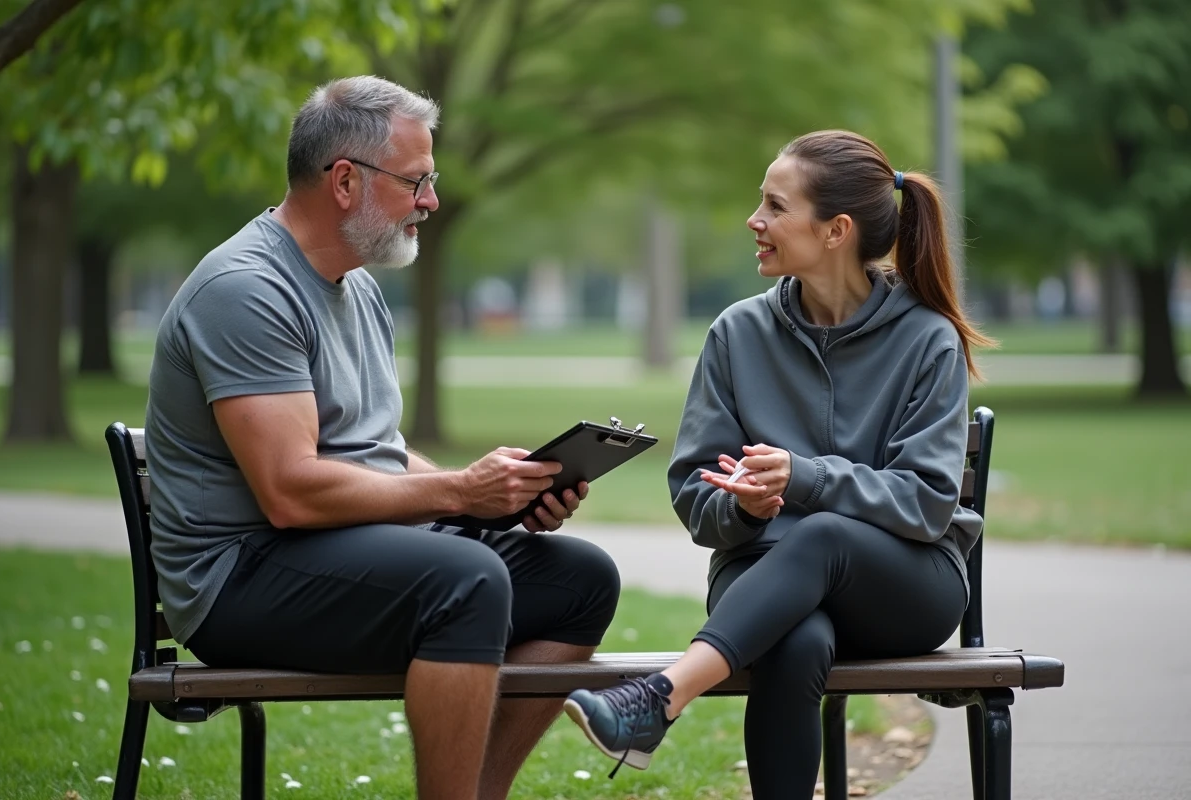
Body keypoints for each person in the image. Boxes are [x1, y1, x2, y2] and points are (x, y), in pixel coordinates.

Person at [144, 76, 621, 800]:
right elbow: (290, 492)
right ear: (344, 182)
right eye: (417, 180)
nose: (430, 200)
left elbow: (377, 453)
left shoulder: (356, 285)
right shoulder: (245, 289)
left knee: (581, 581)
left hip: (323, 549)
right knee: (466, 582)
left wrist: (490, 500)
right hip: (237, 576)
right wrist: (458, 490)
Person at [563, 130, 992, 797]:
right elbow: (695, 495)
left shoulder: (926, 337)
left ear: (834, 231)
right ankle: (652, 708)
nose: (753, 220)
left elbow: (928, 500)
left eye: (774, 205)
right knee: (795, 644)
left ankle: (659, 698)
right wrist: (740, 505)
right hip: (759, 577)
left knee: (822, 534)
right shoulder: (738, 333)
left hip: (906, 584)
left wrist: (806, 478)